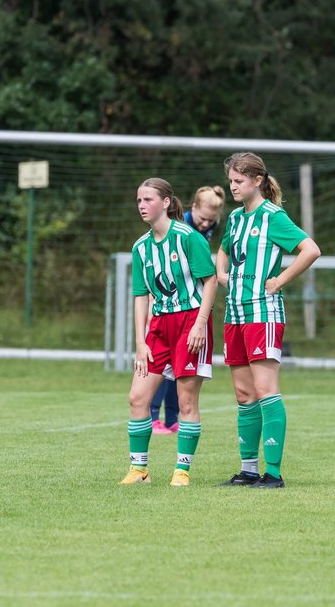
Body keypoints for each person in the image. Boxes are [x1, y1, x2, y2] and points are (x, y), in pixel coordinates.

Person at [215, 153, 321, 487]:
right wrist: (221, 273)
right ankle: (248, 471)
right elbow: (226, 249)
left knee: (265, 390)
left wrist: (280, 280)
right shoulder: (234, 219)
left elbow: (310, 250)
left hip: (263, 313)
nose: (233, 186)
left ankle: (272, 473)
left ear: (257, 180)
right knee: (244, 394)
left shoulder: (273, 216)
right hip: (235, 313)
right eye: (231, 181)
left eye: (239, 181)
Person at [120, 178, 218, 486]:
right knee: (137, 397)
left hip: (191, 321)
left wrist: (201, 323)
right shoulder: (140, 247)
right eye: (139, 200)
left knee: (186, 400)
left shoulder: (188, 237)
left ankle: (182, 470)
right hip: (158, 326)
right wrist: (140, 341)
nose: (142, 205)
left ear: (165, 202)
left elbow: (211, 281)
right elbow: (140, 295)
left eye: (148, 199)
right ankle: (139, 470)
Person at [149, 185, 226, 434]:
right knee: (160, 368)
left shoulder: (208, 225)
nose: (205, 224)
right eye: (202, 219)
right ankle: (152, 416)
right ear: (193, 209)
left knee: (181, 370)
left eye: (211, 221)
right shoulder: (181, 228)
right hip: (171, 306)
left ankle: (172, 419)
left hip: (190, 308)